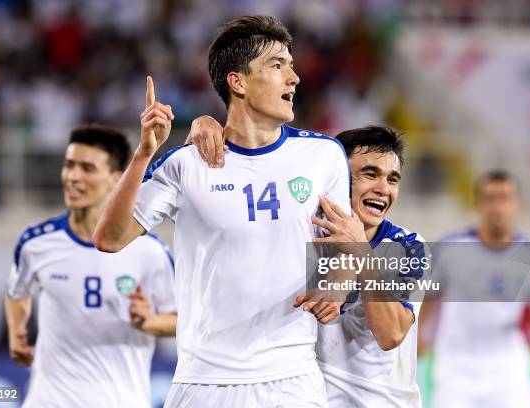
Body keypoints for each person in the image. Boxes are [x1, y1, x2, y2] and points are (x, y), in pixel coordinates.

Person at [94, 15, 351, 407]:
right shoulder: (187, 164)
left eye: (292, 66)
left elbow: (347, 246)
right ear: (239, 82)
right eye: (278, 65)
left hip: (292, 380)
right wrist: (144, 155)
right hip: (203, 382)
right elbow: (108, 239)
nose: (294, 78)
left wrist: (339, 282)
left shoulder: (324, 156)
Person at [187, 121, 427, 407]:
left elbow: (391, 335)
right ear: (337, 174)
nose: (383, 189)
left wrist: (359, 250)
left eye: (393, 179)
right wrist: (205, 126)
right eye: (370, 174)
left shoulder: (409, 246)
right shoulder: (295, 235)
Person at [5, 124, 177, 408]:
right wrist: (16, 331)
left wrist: (150, 322)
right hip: (49, 401)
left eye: (87, 168)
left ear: (115, 180)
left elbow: (183, 321)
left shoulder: (150, 252)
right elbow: (17, 291)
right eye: (68, 165)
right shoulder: (36, 243)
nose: (72, 177)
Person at [420, 170, 530, 408]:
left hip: (508, 370)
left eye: (505, 198)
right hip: (456, 369)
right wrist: (417, 340)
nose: (498, 207)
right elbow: (427, 297)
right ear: (478, 204)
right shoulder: (452, 248)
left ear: (517, 204)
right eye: (490, 198)